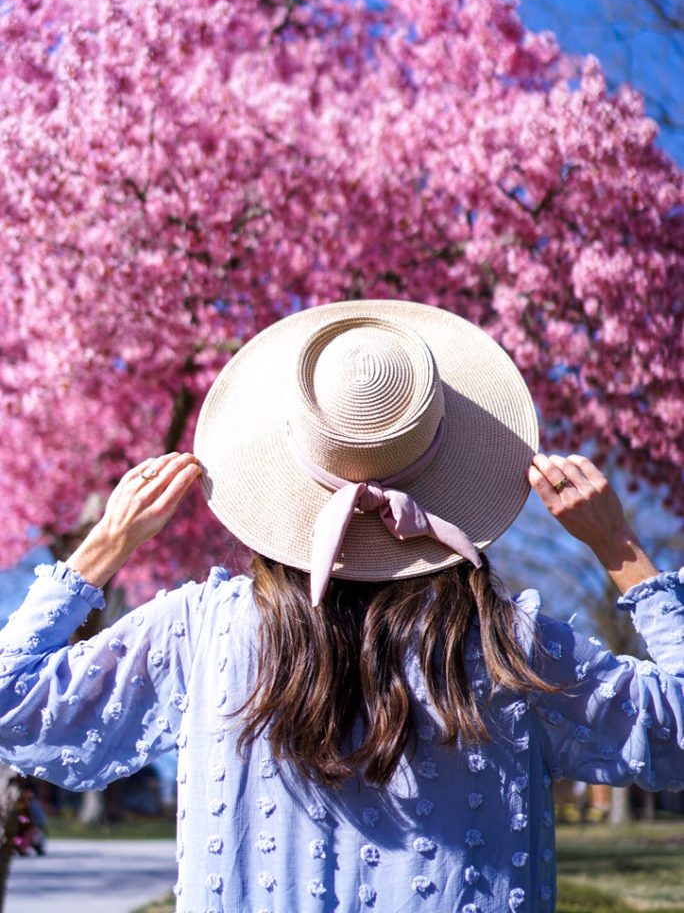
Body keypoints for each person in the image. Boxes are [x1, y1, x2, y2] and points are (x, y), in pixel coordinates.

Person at [0, 300, 682, 913]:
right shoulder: (510, 644)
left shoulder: (200, 632)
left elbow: (11, 698)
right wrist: (620, 547)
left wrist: (105, 546)